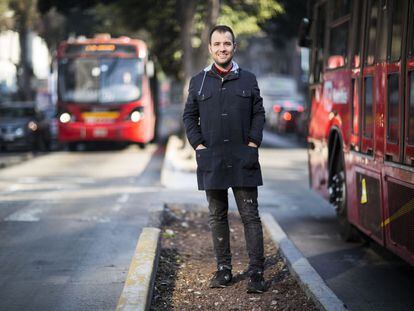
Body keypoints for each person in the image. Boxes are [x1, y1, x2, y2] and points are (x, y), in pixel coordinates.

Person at [183, 25, 266, 293]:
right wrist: (199, 146)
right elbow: (189, 117)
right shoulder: (199, 81)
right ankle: (224, 270)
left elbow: (259, 113)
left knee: (250, 217)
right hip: (212, 160)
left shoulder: (249, 79)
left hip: (244, 158)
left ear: (234, 47)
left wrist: (253, 143)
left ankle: (256, 274)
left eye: (227, 44)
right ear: (210, 48)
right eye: (217, 44)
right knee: (217, 217)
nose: (222, 48)